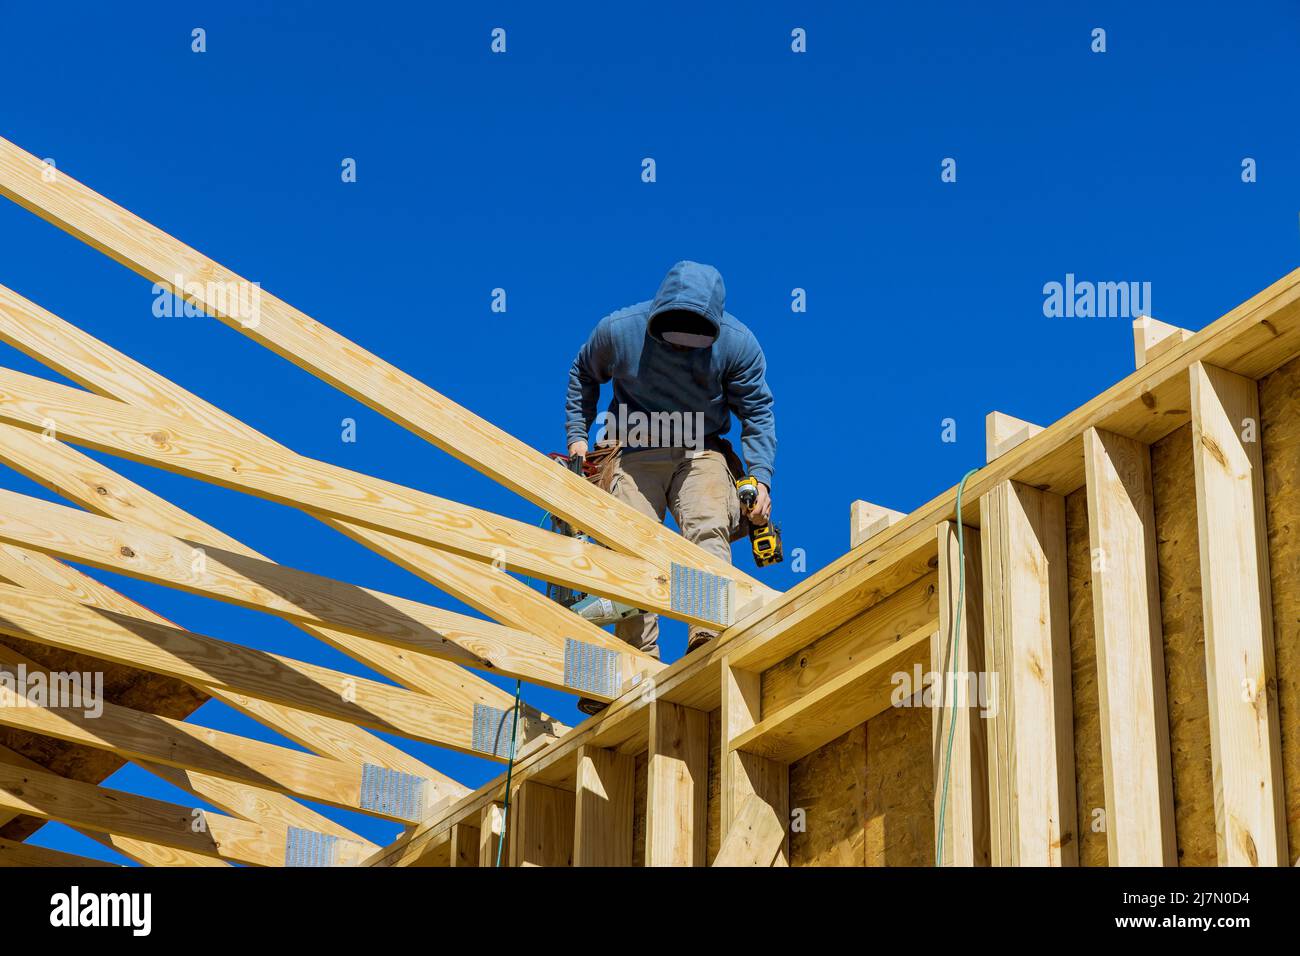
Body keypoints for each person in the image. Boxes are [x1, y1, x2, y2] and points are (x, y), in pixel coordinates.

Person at [565, 260, 776, 672]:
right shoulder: (619, 330)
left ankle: (708, 630)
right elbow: (583, 374)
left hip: (700, 448)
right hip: (632, 446)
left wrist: (761, 480)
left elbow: (757, 412)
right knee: (629, 537)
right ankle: (635, 661)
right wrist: (577, 438)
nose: (681, 345)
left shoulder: (737, 344)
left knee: (706, 521)